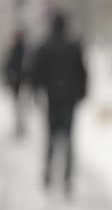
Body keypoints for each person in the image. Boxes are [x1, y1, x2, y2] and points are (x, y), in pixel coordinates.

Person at [31, 11, 87, 195]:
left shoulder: (45, 45)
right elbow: (82, 73)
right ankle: (67, 177)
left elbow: (36, 72)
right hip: (68, 100)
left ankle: (48, 173)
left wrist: (37, 92)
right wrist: (80, 94)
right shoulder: (73, 46)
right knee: (69, 138)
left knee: (50, 138)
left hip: (52, 100)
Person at [2, 30, 27, 138]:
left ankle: (19, 126)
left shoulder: (18, 51)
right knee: (19, 106)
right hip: (20, 83)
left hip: (19, 83)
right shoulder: (24, 50)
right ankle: (19, 126)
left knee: (19, 106)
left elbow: (9, 66)